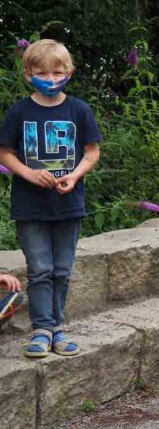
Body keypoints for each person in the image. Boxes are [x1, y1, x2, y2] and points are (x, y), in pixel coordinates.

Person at [0, 39, 101, 358]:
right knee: (40, 268)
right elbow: (5, 153)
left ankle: (57, 327)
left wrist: (74, 176)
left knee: (62, 269)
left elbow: (92, 152)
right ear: (29, 74)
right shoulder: (18, 111)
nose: (52, 78)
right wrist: (29, 174)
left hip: (68, 205)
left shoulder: (79, 109)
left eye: (58, 72)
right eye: (43, 72)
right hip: (30, 207)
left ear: (69, 72)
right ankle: (42, 329)